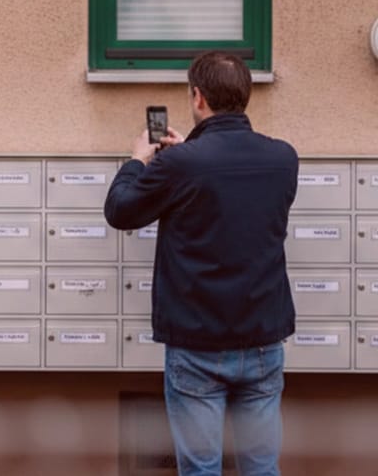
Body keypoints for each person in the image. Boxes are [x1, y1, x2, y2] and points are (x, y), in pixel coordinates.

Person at [104, 51, 298, 476]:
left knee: (200, 468)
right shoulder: (284, 159)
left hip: (196, 345)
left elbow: (120, 211)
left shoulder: (180, 165)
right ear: (245, 96)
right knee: (262, 467)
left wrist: (139, 159)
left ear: (198, 97)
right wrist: (185, 157)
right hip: (263, 339)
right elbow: (228, 191)